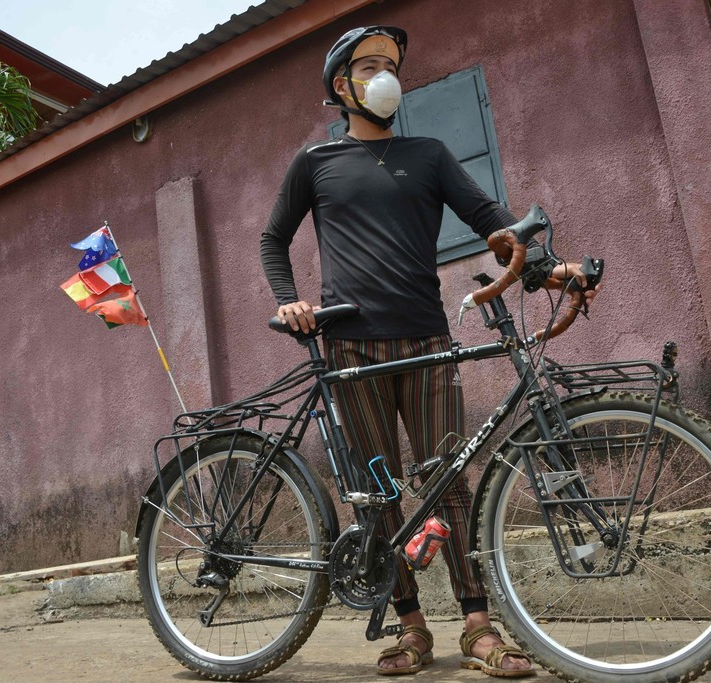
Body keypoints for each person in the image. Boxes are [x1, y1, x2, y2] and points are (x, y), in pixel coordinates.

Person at [260, 26, 596, 677]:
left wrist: (549, 268)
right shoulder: (315, 163)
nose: (387, 74)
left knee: (449, 480)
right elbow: (274, 239)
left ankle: (478, 625)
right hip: (350, 348)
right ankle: (412, 628)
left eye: (392, 64)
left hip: (427, 338)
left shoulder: (430, 153)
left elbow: (492, 220)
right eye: (371, 65)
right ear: (341, 85)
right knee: (378, 491)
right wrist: (288, 298)